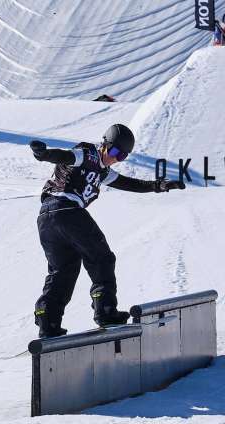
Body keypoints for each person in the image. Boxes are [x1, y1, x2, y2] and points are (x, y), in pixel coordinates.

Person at [29, 124, 185, 338]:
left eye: (122, 156)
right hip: (67, 211)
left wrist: (158, 186)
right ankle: (106, 311)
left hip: (46, 219)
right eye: (114, 151)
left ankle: (48, 320)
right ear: (105, 144)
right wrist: (44, 154)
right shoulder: (87, 154)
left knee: (63, 270)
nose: (115, 158)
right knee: (101, 258)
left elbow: (129, 183)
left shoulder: (103, 171)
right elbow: (65, 157)